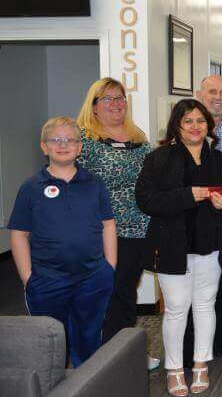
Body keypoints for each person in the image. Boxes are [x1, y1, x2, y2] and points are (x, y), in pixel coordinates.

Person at [135, 99, 222, 396]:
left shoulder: (219, 160)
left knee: (205, 306)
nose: (195, 126)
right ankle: (174, 369)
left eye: (200, 121)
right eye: (188, 121)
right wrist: (187, 195)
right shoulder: (159, 158)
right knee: (176, 310)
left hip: (210, 245)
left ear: (209, 125)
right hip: (172, 246)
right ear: (177, 125)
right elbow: (146, 200)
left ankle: (201, 363)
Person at [9, 117, 116, 367]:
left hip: (92, 279)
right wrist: (28, 278)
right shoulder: (31, 187)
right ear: (44, 147)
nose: (63, 144)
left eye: (70, 140)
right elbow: (19, 234)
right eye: (55, 139)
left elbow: (108, 225)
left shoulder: (95, 185)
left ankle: (85, 385)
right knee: (49, 342)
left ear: (79, 147)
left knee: (88, 339)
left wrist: (109, 267)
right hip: (47, 281)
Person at [74, 78, 159, 370]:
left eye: (120, 98)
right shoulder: (84, 140)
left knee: (126, 291)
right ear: (94, 106)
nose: (115, 104)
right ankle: (104, 357)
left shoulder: (138, 137)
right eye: (107, 99)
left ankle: (126, 352)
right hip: (103, 232)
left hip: (139, 230)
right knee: (105, 293)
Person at [187, 75, 222, 365]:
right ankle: (192, 349)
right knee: (191, 291)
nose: (217, 97)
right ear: (200, 94)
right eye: (211, 92)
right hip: (192, 223)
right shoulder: (184, 131)